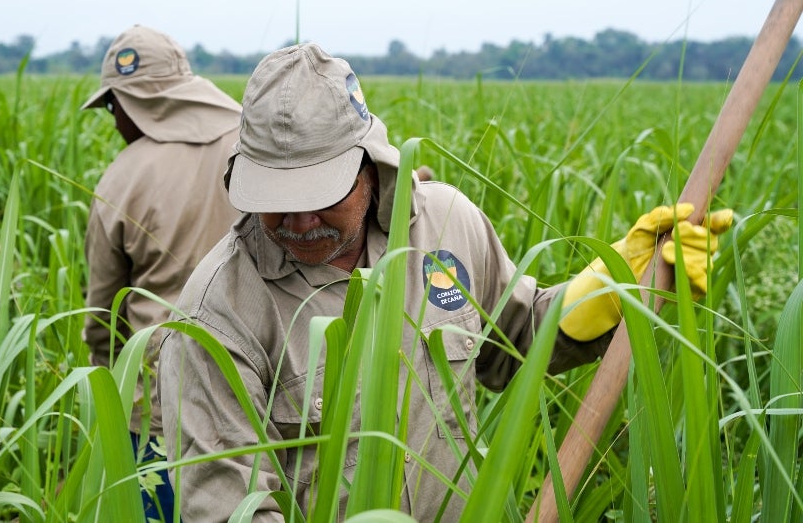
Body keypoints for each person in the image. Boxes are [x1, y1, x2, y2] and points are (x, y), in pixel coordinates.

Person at [157, 42, 732, 522]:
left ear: (370, 165)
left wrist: (608, 292)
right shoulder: (216, 316)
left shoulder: (446, 223)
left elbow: (512, 344)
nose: (299, 223)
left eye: (319, 197)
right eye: (276, 202)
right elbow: (226, 508)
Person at [80, 24, 242, 521]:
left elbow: (102, 319)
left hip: (159, 412)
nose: (114, 122)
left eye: (114, 108)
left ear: (133, 105)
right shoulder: (261, 147)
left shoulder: (123, 178)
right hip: (267, 397)